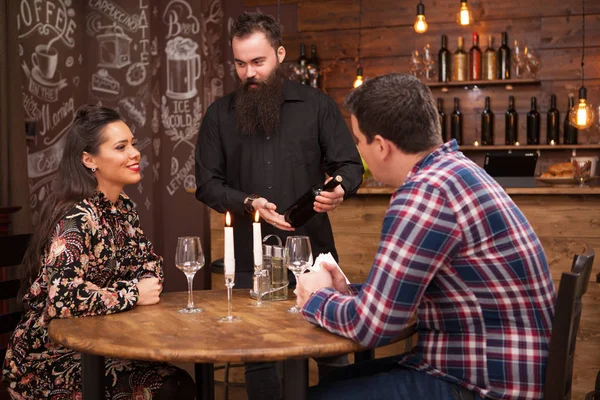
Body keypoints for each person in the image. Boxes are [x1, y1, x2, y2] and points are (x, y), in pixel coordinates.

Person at [295, 73, 557, 400]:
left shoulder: (425, 194)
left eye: (358, 141)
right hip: (495, 368)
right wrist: (348, 292)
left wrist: (315, 297)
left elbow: (374, 326)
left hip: (486, 384)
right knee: (334, 384)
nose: (357, 149)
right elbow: (399, 300)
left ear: (380, 146)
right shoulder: (456, 169)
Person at [194, 11, 363, 400]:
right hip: (251, 256)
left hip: (313, 250)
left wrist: (341, 189)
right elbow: (207, 184)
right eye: (240, 63)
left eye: (258, 62)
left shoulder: (317, 106)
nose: (249, 73)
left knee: (331, 351)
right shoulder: (219, 116)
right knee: (260, 356)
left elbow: (350, 165)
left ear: (280, 54)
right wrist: (249, 201)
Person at [2, 105, 195, 399]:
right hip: (48, 357)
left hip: (98, 342)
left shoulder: (124, 208)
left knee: (178, 380)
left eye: (133, 143)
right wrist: (131, 293)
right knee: (168, 387)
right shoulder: (77, 218)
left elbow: (150, 269)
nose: (134, 153)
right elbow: (64, 296)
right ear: (89, 160)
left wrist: (128, 288)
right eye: (121, 147)